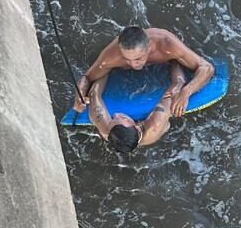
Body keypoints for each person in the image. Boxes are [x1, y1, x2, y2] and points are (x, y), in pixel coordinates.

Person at [73, 26, 214, 152]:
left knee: (178, 73)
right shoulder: (112, 56)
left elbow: (207, 68)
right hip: (149, 127)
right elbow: (87, 77)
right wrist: (80, 94)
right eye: (126, 59)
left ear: (149, 47)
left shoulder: (166, 45)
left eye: (138, 59)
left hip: (166, 55)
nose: (133, 65)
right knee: (105, 68)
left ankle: (174, 61)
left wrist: (186, 92)